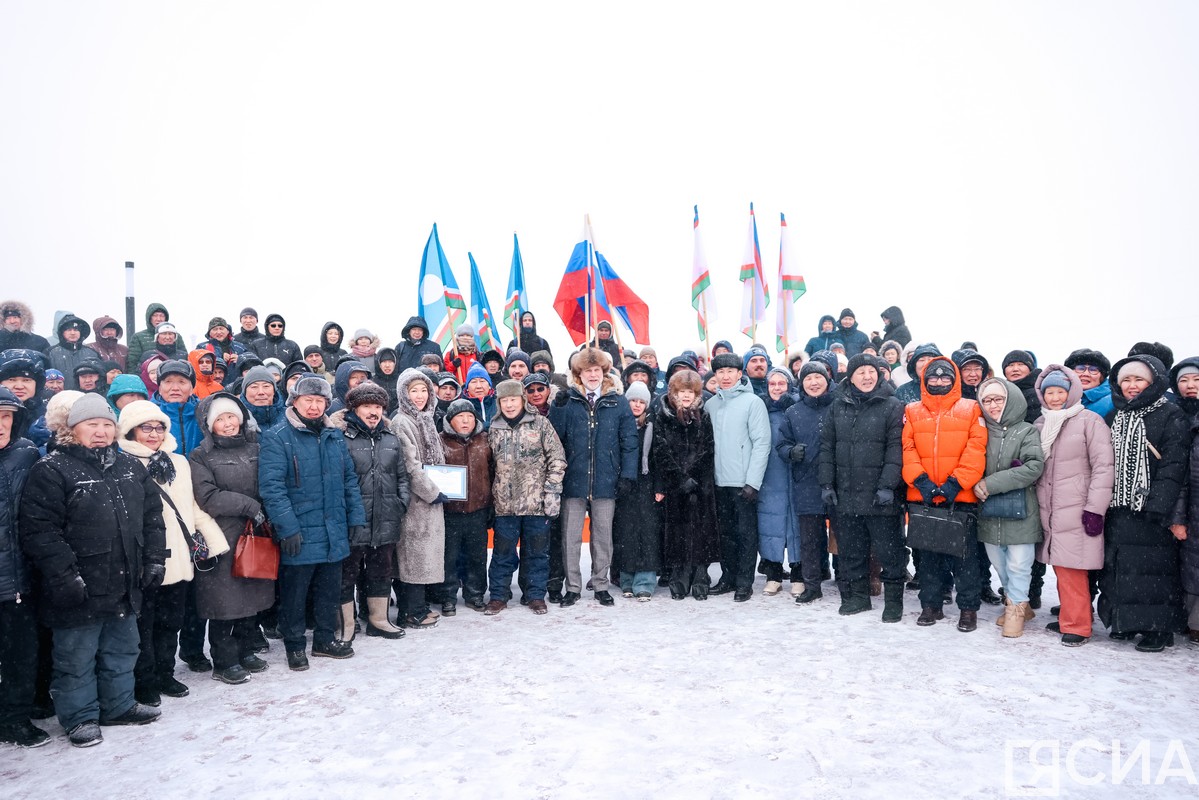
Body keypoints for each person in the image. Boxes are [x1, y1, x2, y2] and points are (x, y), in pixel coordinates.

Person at [20, 393, 166, 747]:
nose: (100, 432)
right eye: (91, 425)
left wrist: (155, 559)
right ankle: (80, 717)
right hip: (79, 585)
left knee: (123, 648)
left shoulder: (130, 466)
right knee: (76, 657)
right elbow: (40, 530)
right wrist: (65, 575)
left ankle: (118, 705)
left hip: (124, 579)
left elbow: (152, 518)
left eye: (106, 424)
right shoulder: (52, 469)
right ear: (72, 429)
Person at [117, 400, 229, 705]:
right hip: (144, 558)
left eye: (159, 427)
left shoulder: (177, 462)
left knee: (170, 622)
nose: (154, 434)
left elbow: (192, 507)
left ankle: (165, 673)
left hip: (178, 556)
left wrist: (213, 542)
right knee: (144, 626)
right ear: (130, 430)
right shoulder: (120, 463)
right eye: (146, 428)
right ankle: (145, 680)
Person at [258, 375, 365, 670]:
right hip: (300, 531)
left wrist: (355, 518)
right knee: (294, 594)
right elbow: (272, 488)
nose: (315, 406)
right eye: (309, 400)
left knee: (329, 590)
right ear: (295, 402)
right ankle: (294, 646)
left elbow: (348, 481)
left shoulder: (334, 436)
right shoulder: (277, 436)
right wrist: (287, 527)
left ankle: (324, 640)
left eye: (320, 401)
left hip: (333, 529)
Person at [1098, 355, 1188, 652]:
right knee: (1119, 567)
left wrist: (1158, 504)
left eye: (1138, 379)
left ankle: (1157, 630)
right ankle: (1127, 622)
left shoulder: (1170, 414)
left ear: (1153, 382)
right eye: (1126, 380)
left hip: (1150, 509)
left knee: (1153, 571)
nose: (1132, 385)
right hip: (1117, 506)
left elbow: (1174, 464)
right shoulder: (1115, 415)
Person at [189, 392, 278, 683]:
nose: (228, 424)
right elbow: (208, 496)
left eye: (232, 417)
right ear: (209, 424)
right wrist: (250, 506)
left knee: (250, 594)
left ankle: (245, 649)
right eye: (221, 419)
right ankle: (224, 660)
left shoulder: (256, 447)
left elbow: (271, 480)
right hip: (224, 535)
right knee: (224, 601)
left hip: (256, 533)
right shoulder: (201, 455)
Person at [817, 354, 906, 620]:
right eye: (860, 372)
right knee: (851, 550)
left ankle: (894, 602)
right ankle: (858, 597)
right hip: (846, 494)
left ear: (879, 375)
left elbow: (896, 450)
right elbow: (827, 448)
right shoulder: (837, 406)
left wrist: (888, 486)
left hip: (881, 496)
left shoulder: (892, 405)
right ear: (851, 376)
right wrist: (827, 484)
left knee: (889, 551)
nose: (867, 377)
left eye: (871, 371)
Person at [902, 357, 988, 631]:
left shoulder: (971, 408)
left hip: (960, 497)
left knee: (965, 559)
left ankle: (968, 608)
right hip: (923, 496)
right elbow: (907, 447)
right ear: (925, 381)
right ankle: (931, 605)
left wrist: (956, 482)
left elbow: (976, 447)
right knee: (928, 559)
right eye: (933, 378)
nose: (939, 382)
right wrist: (921, 481)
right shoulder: (913, 410)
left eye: (945, 378)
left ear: (954, 380)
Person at [1032, 366, 1114, 647]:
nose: (1055, 397)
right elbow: (1034, 462)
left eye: (1060, 392)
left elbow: (1104, 468)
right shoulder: (1041, 424)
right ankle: (1071, 615)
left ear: (1072, 392)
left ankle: (1078, 626)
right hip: (1049, 508)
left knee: (1072, 569)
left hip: (1077, 507)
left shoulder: (1089, 421)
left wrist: (1095, 509)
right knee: (1061, 566)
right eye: (1049, 392)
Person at [550, 347, 637, 607]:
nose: (592, 375)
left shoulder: (617, 401)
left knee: (602, 536)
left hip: (605, 481)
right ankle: (573, 587)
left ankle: (601, 585)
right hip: (574, 481)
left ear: (603, 372)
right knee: (571, 537)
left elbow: (629, 441)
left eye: (596, 370)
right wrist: (558, 407)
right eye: (587, 370)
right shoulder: (570, 399)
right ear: (579, 373)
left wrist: (627, 475)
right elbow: (555, 438)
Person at [328, 382, 409, 640]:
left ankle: (379, 620)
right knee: (346, 573)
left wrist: (400, 503)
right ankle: (346, 626)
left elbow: (402, 476)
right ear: (354, 408)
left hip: (386, 517)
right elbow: (333, 479)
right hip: (353, 520)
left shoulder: (390, 438)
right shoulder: (340, 438)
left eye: (377, 406)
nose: (373, 411)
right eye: (366, 406)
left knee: (381, 570)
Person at [972, 378, 1046, 638]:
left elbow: (1033, 466)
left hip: (1021, 510)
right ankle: (1017, 602)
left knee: (1019, 564)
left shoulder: (1026, 431)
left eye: (998, 399)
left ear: (1011, 400)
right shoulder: (979, 430)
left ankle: (1015, 612)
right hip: (989, 511)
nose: (992, 405)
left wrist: (992, 482)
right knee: (999, 563)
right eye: (987, 400)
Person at [487, 381, 566, 614]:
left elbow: (557, 459)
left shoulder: (541, 424)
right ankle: (498, 596)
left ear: (522, 399)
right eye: (505, 400)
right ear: (500, 403)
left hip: (536, 504)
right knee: (502, 555)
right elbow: (487, 466)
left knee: (537, 554)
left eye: (513, 399)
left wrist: (551, 490)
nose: (510, 404)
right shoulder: (493, 428)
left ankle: (535, 596)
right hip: (505, 506)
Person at [0, 387, 48, 748]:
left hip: (19, 576)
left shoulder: (27, 454)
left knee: (21, 652)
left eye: (6, 416)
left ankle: (16, 718)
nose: (1, 424)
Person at [705, 352, 771, 602]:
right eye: (720, 372)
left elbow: (762, 443)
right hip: (718, 482)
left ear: (739, 374)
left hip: (743, 483)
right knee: (725, 534)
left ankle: (744, 581)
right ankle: (728, 577)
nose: (724, 376)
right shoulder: (711, 404)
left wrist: (753, 481)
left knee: (745, 534)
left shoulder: (753, 402)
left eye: (730, 371)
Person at [652, 370, 720, 600]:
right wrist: (680, 478)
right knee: (677, 532)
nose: (686, 396)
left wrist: (695, 476)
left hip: (701, 485)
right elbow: (660, 451)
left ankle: (700, 575)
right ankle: (679, 577)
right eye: (682, 392)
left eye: (690, 392)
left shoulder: (704, 415)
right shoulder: (664, 416)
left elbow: (708, 448)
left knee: (701, 533)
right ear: (674, 393)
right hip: (675, 486)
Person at [390, 369, 449, 628]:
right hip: (416, 501)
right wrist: (432, 491)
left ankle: (418, 606)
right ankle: (410, 611)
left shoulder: (426, 418)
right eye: (413, 390)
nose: (419, 396)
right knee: (412, 556)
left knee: (423, 555)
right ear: (404, 393)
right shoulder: (402, 421)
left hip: (430, 498)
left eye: (424, 390)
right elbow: (410, 465)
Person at [438, 398, 492, 615]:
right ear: (451, 420)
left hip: (478, 510)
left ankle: (475, 593)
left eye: (470, 416)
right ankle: (447, 596)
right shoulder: (440, 440)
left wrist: (491, 506)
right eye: (461, 417)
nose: (466, 421)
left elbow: (494, 472)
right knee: (448, 557)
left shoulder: (484, 440)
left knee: (477, 556)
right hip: (450, 512)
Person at [612, 382, 661, 600]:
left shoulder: (653, 426)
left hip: (647, 486)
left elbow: (659, 459)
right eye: (633, 400)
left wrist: (660, 486)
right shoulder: (618, 424)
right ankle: (627, 579)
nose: (637, 405)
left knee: (647, 534)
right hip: (624, 485)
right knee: (626, 533)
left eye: (641, 402)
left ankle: (646, 581)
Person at [757, 368, 798, 595]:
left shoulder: (798, 408)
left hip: (794, 472)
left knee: (796, 526)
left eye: (781, 384)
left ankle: (798, 573)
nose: (776, 388)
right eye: (772, 384)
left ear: (789, 386)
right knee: (769, 525)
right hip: (769, 474)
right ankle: (773, 574)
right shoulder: (761, 409)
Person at [151, 360, 202, 457]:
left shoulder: (203, 413)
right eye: (168, 381)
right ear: (160, 389)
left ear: (191, 389)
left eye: (182, 382)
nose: (175, 388)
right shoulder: (147, 414)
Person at [46, 315, 101, 392]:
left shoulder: (92, 353)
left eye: (76, 330)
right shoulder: (51, 353)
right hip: (60, 398)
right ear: (62, 333)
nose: (72, 333)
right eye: (68, 330)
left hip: (87, 397)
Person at [125, 303, 181, 373]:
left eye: (162, 316)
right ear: (149, 318)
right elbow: (132, 363)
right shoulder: (138, 337)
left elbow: (182, 357)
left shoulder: (175, 336)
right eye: (155, 316)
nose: (159, 319)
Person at [1063, 348, 1114, 420]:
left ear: (1102, 376)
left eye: (1093, 369)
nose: (1086, 374)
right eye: (1080, 368)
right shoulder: (1056, 395)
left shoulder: (1113, 402)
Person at [1001, 350, 1043, 424]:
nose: (1015, 369)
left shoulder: (1037, 393)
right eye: (1011, 365)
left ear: (1030, 369)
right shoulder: (1000, 392)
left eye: (1020, 364)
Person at [239, 366, 285, 431]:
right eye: (254, 387)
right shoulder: (237, 420)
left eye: (266, 386)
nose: (261, 392)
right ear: (245, 392)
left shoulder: (290, 417)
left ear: (274, 391)